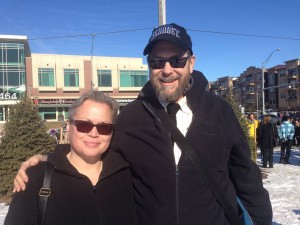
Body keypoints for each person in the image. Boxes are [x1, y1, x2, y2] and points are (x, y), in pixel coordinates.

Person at [13, 23, 272, 225]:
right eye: (157, 62)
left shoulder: (220, 112)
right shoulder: (131, 117)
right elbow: (94, 150)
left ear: (191, 63)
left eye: (177, 60)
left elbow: (246, 180)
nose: (167, 69)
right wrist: (45, 160)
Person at [5, 91, 137, 225]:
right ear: (68, 126)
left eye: (104, 127)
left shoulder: (127, 174)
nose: (94, 133)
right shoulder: (36, 177)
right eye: (84, 125)